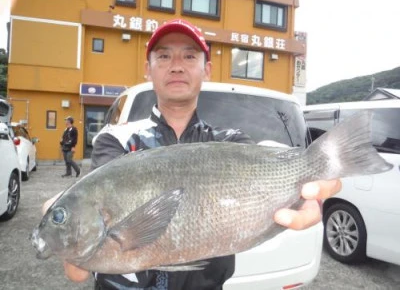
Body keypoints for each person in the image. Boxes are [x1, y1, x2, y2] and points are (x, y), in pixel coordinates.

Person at [43, 19, 342, 289]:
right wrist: (69, 237)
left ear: (206, 69)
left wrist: (312, 181)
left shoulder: (231, 142)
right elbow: (80, 269)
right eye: (163, 55)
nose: (176, 65)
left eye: (189, 55)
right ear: (148, 68)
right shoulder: (116, 140)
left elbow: (269, 159)